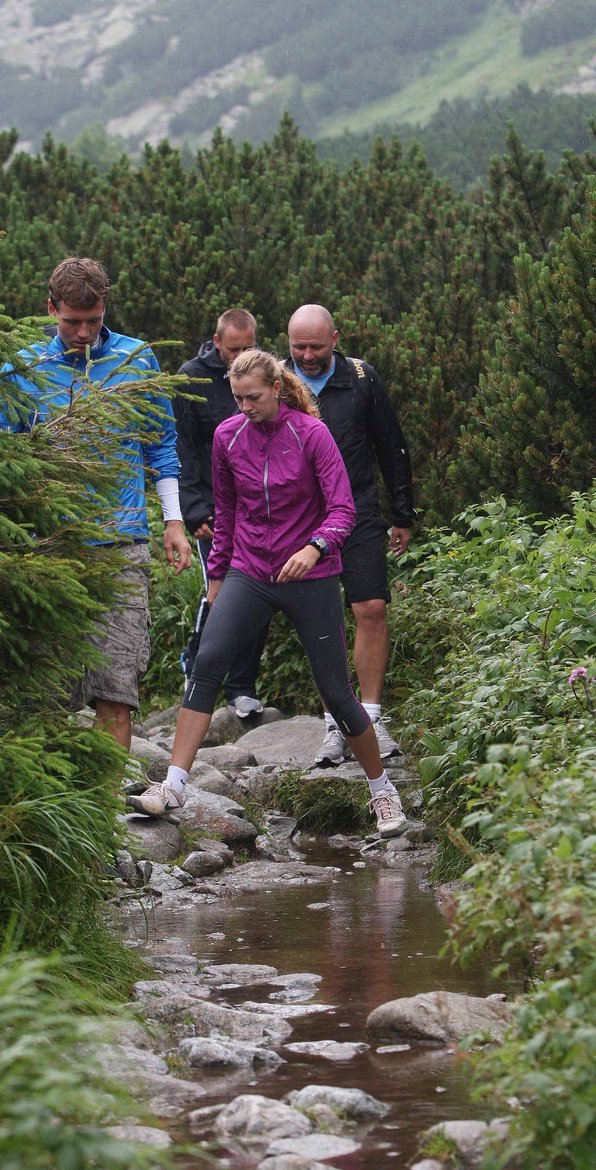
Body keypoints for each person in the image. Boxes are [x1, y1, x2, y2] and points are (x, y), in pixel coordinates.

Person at [131, 350, 407, 837]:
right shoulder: (227, 436)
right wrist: (216, 581)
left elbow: (343, 510)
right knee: (207, 662)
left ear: (276, 389)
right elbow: (228, 515)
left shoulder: (312, 434)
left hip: (310, 575)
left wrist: (315, 548)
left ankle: (382, 791)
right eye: (237, 399)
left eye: (253, 398)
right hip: (250, 570)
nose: (244, 407)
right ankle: (172, 785)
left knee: (337, 693)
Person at [0, 256, 191, 751]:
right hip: (47, 546)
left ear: (105, 308)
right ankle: (50, 814)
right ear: (49, 308)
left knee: (115, 691)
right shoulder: (23, 367)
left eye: (93, 321)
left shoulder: (136, 359)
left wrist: (173, 520)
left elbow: (160, 443)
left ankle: (106, 819)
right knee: (42, 695)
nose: (82, 332)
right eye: (71, 321)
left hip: (120, 543)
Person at [286, 305, 414, 766]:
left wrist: (402, 513)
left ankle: (373, 716)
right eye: (298, 346)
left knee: (371, 607)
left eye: (316, 346)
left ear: (335, 339)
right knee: (322, 618)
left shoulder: (362, 378)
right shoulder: (279, 380)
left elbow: (391, 445)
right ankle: (334, 724)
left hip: (358, 508)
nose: (306, 355)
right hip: (302, 518)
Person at [174, 308, 269, 719]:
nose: (242, 354)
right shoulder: (191, 377)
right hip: (211, 508)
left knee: (259, 594)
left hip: (258, 508)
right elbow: (181, 448)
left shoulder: (268, 375)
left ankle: (242, 687)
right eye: (235, 349)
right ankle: (198, 673)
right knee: (220, 592)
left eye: (249, 346)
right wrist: (192, 509)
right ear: (217, 343)